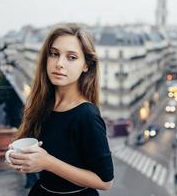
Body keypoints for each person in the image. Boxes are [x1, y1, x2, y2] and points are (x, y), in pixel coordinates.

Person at [7, 23, 114, 195]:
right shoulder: (42, 104)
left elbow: (105, 181)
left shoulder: (86, 115)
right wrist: (23, 160)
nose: (59, 64)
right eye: (54, 54)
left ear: (86, 65)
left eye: (71, 57)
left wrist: (48, 162)